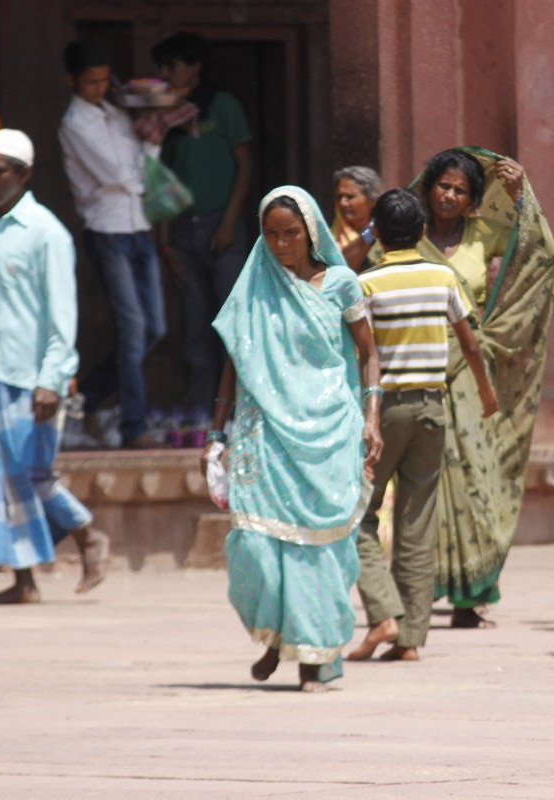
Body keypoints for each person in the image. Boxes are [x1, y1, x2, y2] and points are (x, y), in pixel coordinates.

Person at [203, 186, 382, 692]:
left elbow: (368, 351)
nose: (281, 244)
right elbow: (234, 363)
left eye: (292, 234)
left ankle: (312, 659)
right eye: (271, 234)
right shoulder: (253, 288)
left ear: (311, 233)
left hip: (328, 430)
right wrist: (217, 433)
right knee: (256, 546)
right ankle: (277, 636)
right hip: (263, 431)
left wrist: (372, 415)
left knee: (318, 550)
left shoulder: (343, 284)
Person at [0, 129, 109, 602]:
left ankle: (87, 536)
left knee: (30, 471)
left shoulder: (46, 234)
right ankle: (23, 581)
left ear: (23, 175)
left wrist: (52, 379)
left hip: (32, 375)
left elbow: (63, 316)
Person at [347, 189, 499, 663]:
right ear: (421, 231)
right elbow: (470, 344)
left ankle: (385, 613)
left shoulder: (367, 284)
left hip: (383, 410)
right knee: (417, 519)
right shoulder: (442, 276)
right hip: (434, 407)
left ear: (376, 231)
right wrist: (487, 391)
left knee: (357, 515)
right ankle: (411, 637)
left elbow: (360, 350)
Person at [413, 147, 554, 628]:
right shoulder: (407, 237)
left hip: (469, 367)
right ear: (428, 188)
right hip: (414, 364)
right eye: (443, 186)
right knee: (424, 477)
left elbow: (537, 254)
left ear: (474, 199)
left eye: (460, 190)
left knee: (476, 474)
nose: (449, 196)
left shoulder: (485, 234)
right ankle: (422, 586)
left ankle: (469, 594)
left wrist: (521, 197)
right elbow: (367, 271)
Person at [59, 39, 166, 449]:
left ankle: (87, 396)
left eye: (105, 80)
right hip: (106, 231)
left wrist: (152, 137)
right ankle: (133, 426)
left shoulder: (114, 112)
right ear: (72, 80)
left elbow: (145, 156)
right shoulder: (74, 122)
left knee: (153, 328)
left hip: (138, 227)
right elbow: (117, 175)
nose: (100, 88)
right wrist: (146, 157)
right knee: (133, 328)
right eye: (91, 82)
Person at [151, 32, 252, 425]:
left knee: (233, 317)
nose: (165, 74)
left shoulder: (221, 105)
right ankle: (199, 411)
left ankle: (242, 410)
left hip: (220, 226)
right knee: (194, 323)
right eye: (162, 67)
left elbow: (245, 163)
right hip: (181, 230)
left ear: (194, 66)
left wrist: (228, 221)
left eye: (172, 65)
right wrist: (163, 241)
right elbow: (162, 179)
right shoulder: (166, 114)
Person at [330, 166, 381, 272]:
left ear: (372, 199)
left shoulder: (385, 236)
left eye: (350, 197)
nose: (342, 203)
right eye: (339, 197)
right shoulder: (330, 239)